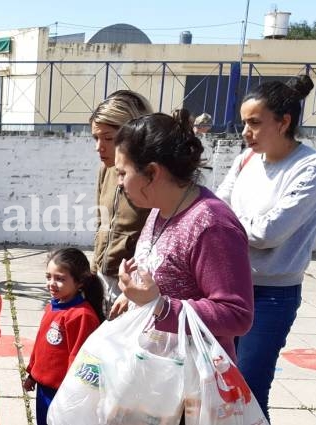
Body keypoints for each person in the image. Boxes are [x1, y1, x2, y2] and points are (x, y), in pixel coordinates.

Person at [113, 112, 253, 364]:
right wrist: (133, 294)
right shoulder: (159, 209)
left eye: (122, 173)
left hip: (191, 387)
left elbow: (237, 315)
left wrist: (159, 306)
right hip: (154, 374)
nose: (119, 183)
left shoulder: (212, 224)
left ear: (152, 173)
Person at [215, 74, 316, 420]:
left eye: (255, 123)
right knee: (218, 386)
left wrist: (231, 222)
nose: (246, 132)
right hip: (227, 287)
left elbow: (270, 233)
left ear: (284, 121)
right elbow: (217, 208)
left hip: (272, 296)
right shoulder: (245, 160)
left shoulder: (309, 167)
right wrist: (236, 222)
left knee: (250, 390)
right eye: (244, 122)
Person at [22, 248, 103, 425]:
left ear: (80, 282)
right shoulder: (52, 306)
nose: (51, 283)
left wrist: (71, 393)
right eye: (48, 277)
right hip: (44, 388)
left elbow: (79, 359)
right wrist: (32, 373)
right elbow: (41, 346)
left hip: (62, 392)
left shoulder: (81, 316)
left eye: (60, 279)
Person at [90, 90, 152, 314]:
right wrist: (93, 271)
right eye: (96, 138)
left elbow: (159, 239)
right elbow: (101, 223)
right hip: (102, 277)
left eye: (108, 138)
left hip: (136, 285)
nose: (99, 147)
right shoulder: (105, 170)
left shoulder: (151, 176)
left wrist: (132, 290)